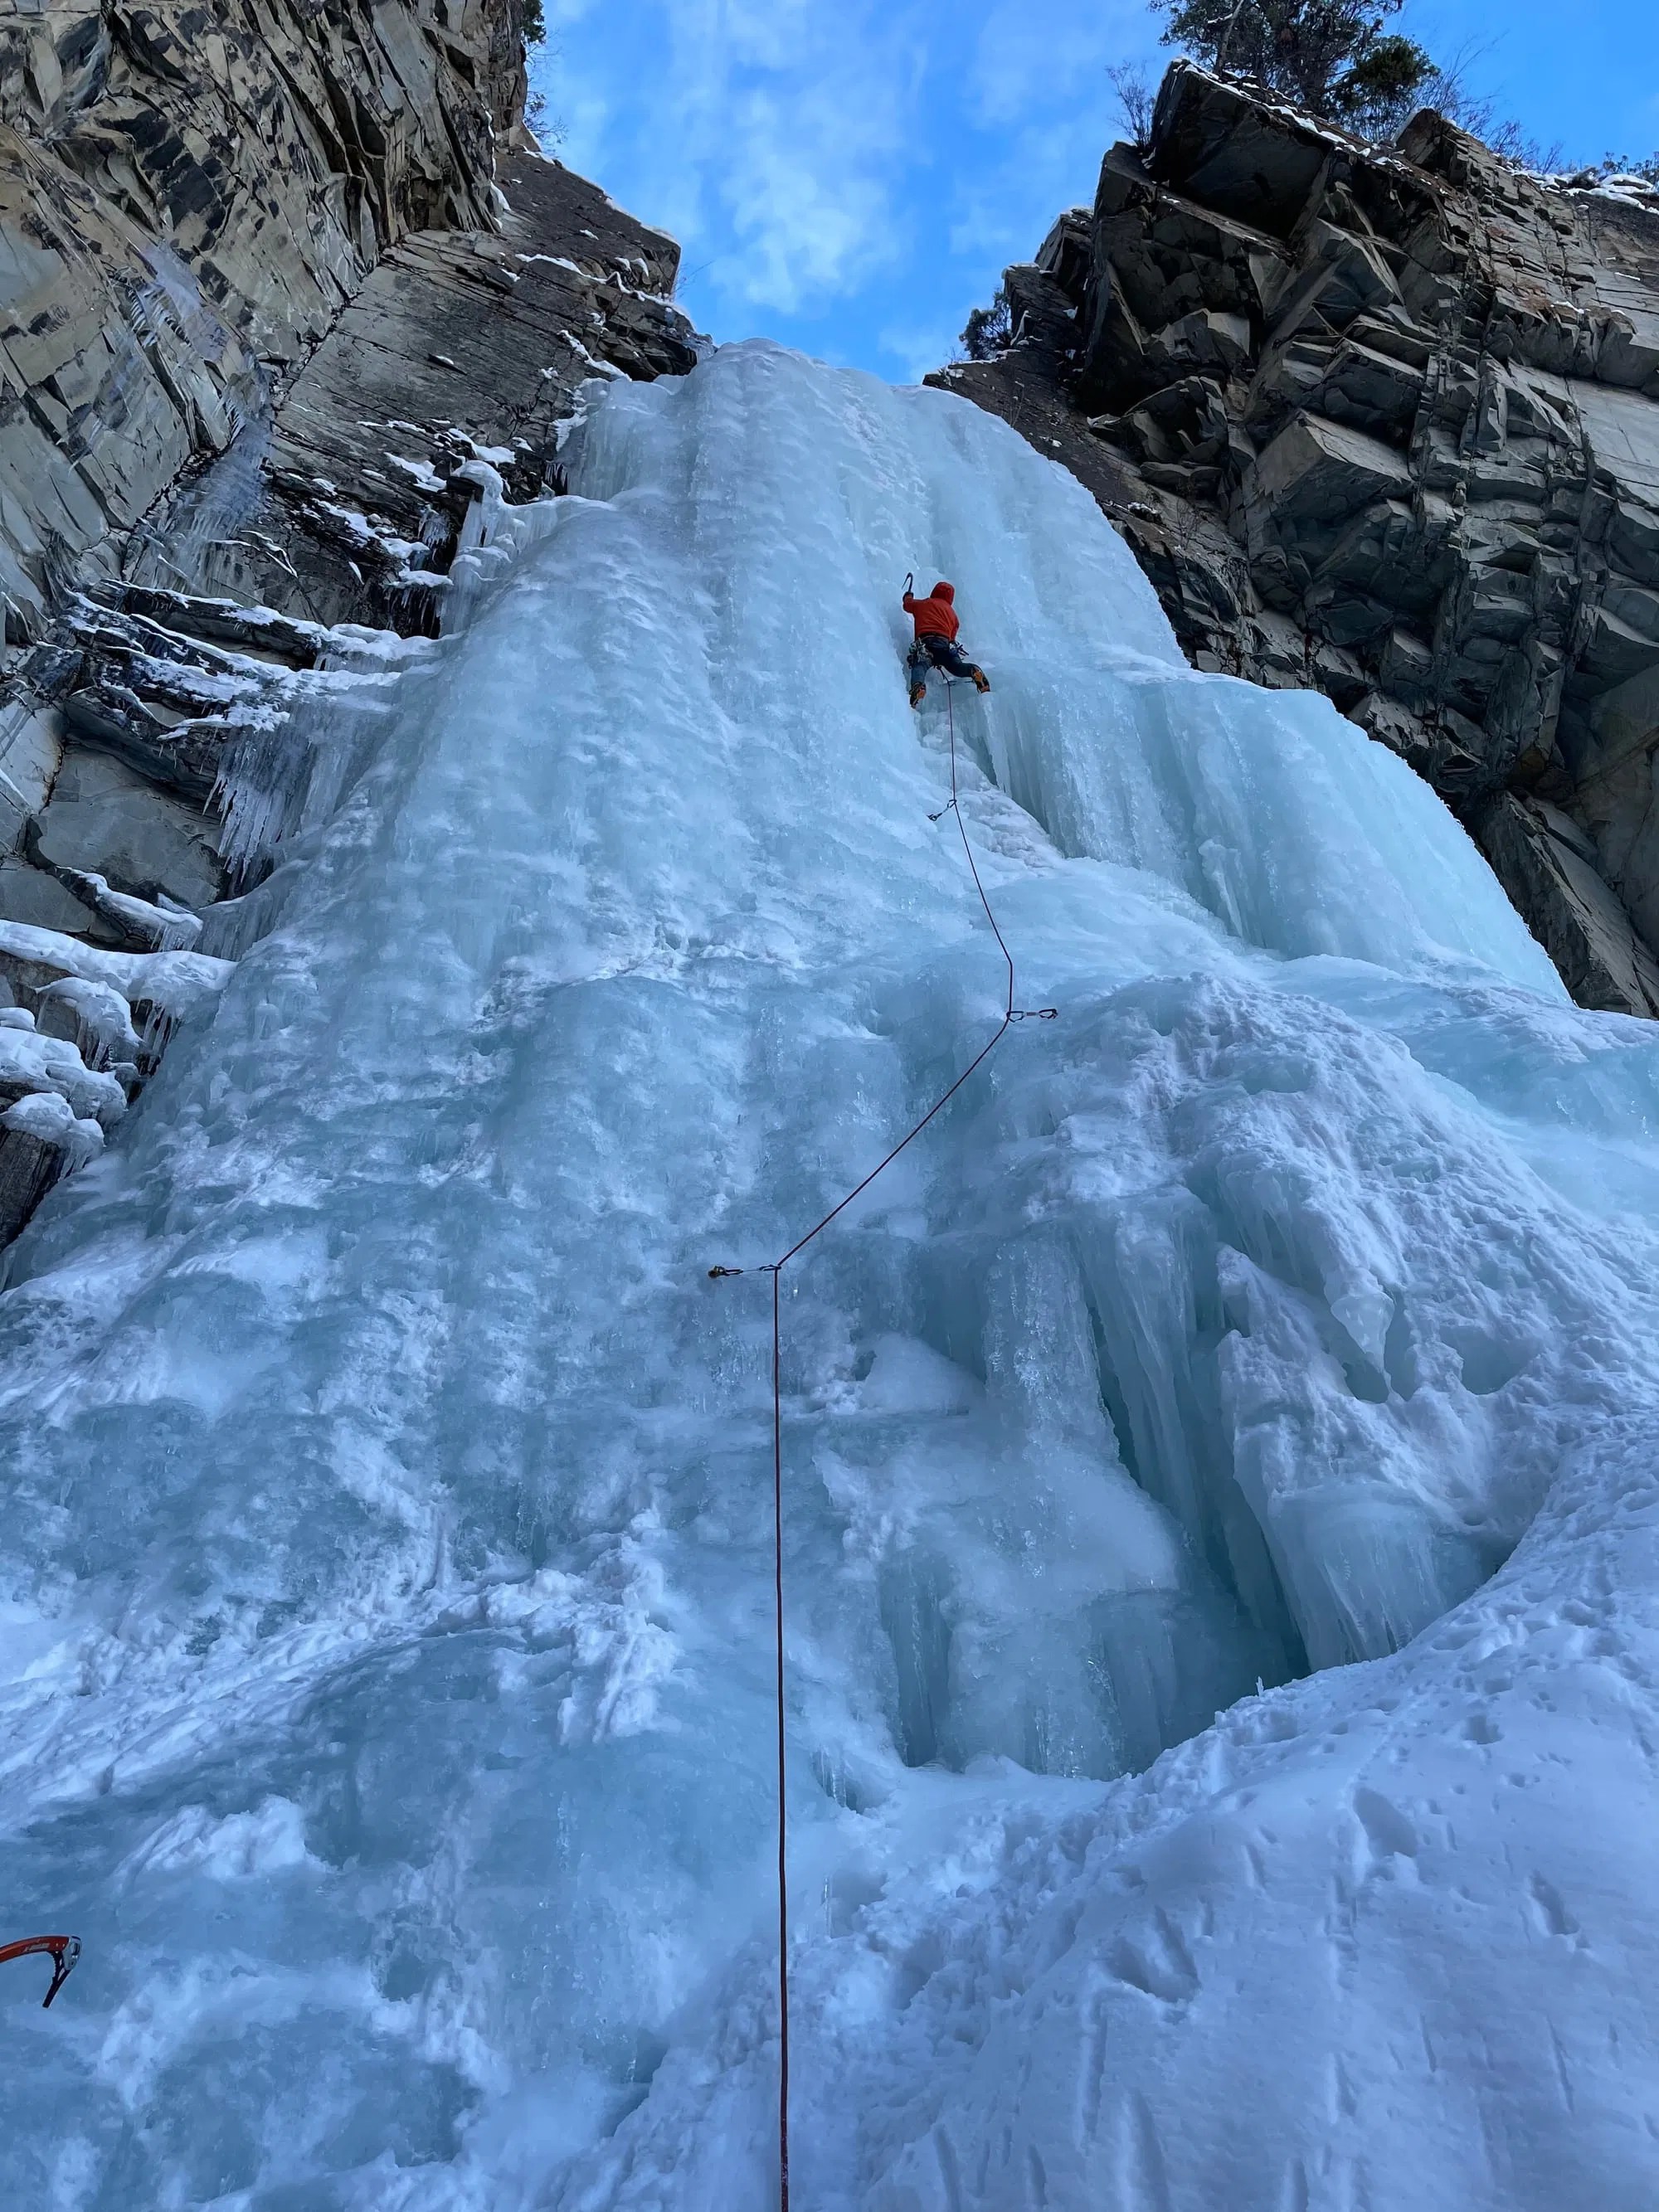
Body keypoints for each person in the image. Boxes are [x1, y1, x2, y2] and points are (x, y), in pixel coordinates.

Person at [902, 577, 991, 707]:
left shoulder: (924, 603)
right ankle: (973, 670)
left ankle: (918, 686)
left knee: (920, 665)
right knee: (957, 667)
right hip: (944, 646)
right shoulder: (952, 614)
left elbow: (907, 605)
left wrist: (908, 596)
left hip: (926, 643)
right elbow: (952, 637)